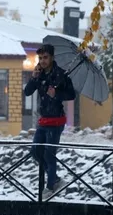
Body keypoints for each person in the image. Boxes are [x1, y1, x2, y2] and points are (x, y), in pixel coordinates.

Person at [24, 44, 77, 197]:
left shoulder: (61, 74)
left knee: (49, 154)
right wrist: (34, 78)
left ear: (52, 57)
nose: (42, 61)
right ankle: (56, 179)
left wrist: (57, 94)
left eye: (45, 57)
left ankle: (50, 188)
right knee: (35, 151)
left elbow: (71, 95)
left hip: (56, 120)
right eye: (40, 58)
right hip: (44, 119)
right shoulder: (39, 73)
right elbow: (27, 92)